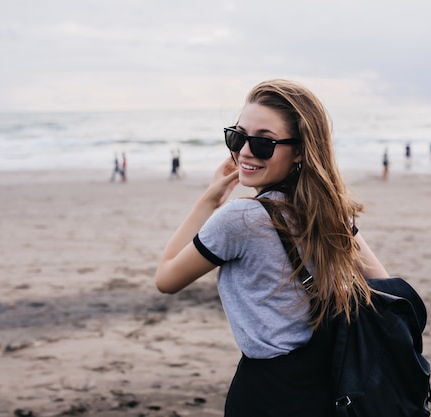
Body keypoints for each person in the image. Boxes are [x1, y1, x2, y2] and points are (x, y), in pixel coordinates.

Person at [155, 80, 389, 416]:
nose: (245, 151)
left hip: (267, 394)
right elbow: (384, 288)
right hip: (331, 387)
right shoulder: (330, 212)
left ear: (299, 150)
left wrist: (209, 199)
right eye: (237, 137)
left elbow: (166, 278)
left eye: (264, 142)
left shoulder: (241, 219)